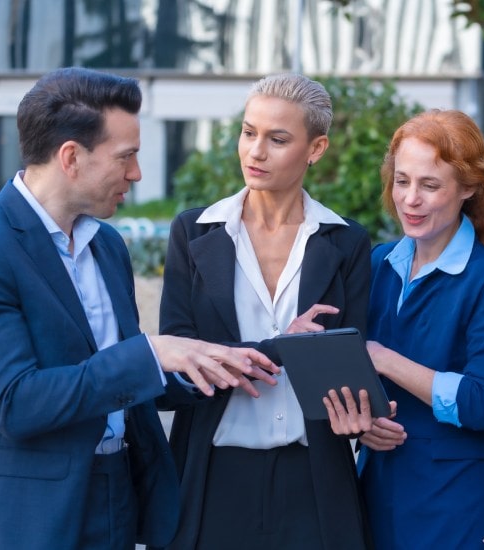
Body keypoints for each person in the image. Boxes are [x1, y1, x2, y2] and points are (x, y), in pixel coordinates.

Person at [0, 67, 273, 550]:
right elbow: (16, 403)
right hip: (36, 517)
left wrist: (268, 351)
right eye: (127, 156)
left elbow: (127, 382)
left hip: (122, 495)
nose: (136, 174)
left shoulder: (108, 245)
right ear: (71, 157)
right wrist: (150, 354)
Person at [156, 73, 373, 550]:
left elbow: (351, 370)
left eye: (277, 139)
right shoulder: (193, 233)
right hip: (213, 474)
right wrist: (283, 347)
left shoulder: (347, 241)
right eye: (248, 132)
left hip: (313, 479)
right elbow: (177, 373)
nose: (255, 151)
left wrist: (364, 416)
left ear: (315, 149)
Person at [354, 109, 484, 549]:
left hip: (450, 513)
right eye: (401, 181)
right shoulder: (376, 264)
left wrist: (385, 359)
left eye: (429, 185)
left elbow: (481, 402)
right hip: (368, 501)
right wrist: (358, 423)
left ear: (469, 188)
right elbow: (348, 379)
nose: (410, 199)